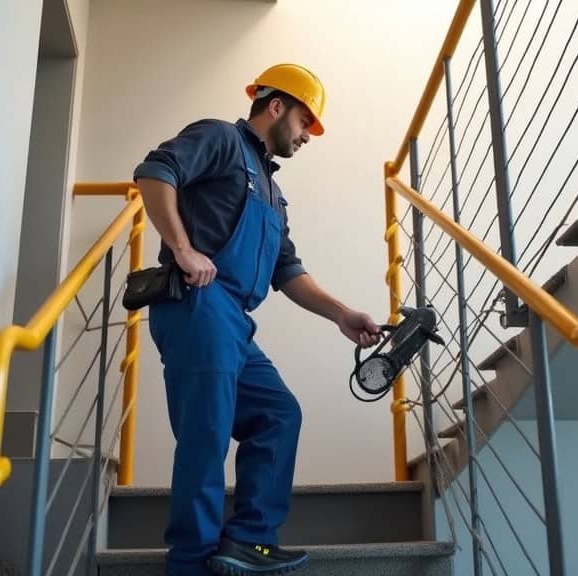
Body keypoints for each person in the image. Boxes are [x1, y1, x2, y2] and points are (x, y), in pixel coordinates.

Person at [132, 63, 382, 576]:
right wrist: (182, 249)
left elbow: (286, 270)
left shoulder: (272, 190)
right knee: (207, 434)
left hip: (234, 322)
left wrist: (341, 314)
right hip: (198, 306)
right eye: (306, 121)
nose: (309, 135)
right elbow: (155, 172)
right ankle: (191, 563)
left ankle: (247, 541)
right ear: (275, 106)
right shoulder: (220, 139)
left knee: (278, 415)